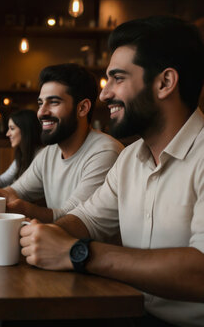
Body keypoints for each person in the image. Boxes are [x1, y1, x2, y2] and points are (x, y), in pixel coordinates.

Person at [20, 16, 204, 326]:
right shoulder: (130, 157)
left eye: (117, 78)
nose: (104, 94)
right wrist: (44, 234)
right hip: (126, 312)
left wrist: (79, 253)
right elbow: (88, 219)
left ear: (164, 83)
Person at [0, 63, 123, 223]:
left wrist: (25, 209)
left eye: (53, 102)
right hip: (58, 245)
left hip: (91, 247)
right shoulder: (49, 152)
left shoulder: (105, 152)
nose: (41, 112)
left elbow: (74, 218)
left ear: (82, 108)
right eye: (40, 103)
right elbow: (17, 191)